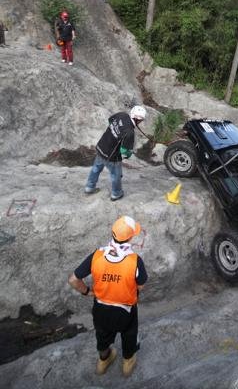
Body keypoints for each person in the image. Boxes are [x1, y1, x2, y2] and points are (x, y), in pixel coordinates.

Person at [68, 216, 147, 377]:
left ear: (113, 233)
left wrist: (87, 292)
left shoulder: (97, 255)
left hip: (100, 308)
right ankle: (127, 364)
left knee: (102, 335)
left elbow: (73, 280)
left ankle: (103, 361)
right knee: (129, 335)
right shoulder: (135, 261)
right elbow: (141, 285)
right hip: (126, 310)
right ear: (130, 238)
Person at [85, 105, 147, 201]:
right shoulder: (129, 132)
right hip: (112, 157)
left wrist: (115, 132)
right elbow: (125, 152)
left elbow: (110, 120)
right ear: (139, 120)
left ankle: (89, 187)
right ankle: (116, 193)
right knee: (116, 175)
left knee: (96, 169)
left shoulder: (122, 115)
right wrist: (128, 154)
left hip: (101, 146)